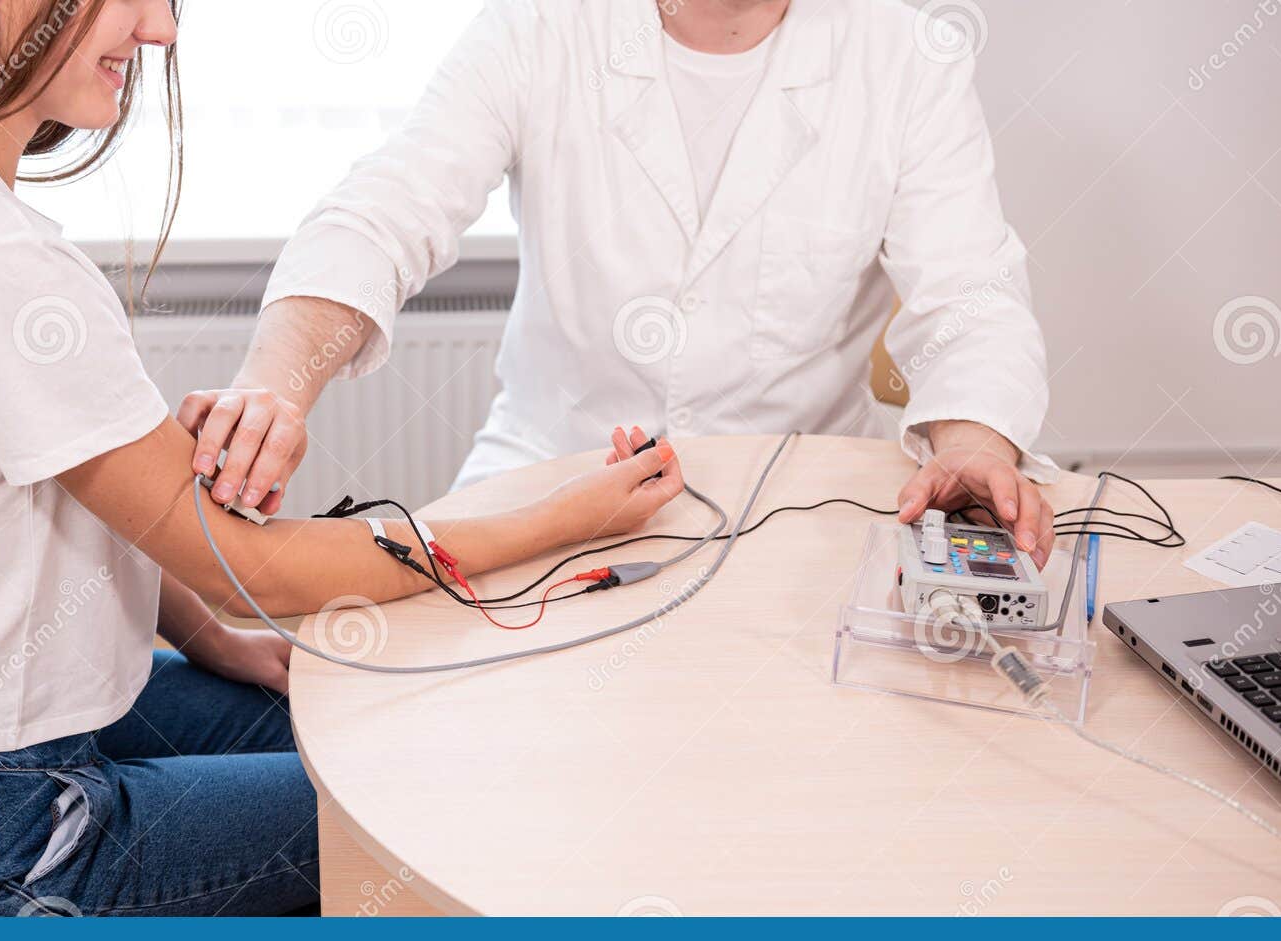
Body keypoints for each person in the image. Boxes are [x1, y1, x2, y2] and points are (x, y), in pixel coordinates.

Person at [0, 0, 685, 916]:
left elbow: (92, 513)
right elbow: (256, 569)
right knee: (420, 790)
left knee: (356, 713)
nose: (160, 28)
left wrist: (212, 640)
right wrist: (568, 516)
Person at [186, 0, 1060, 568]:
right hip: (544, 479)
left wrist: (978, 446)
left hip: (799, 506)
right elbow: (386, 210)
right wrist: (279, 382)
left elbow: (969, 297)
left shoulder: (904, 54)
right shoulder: (539, 28)